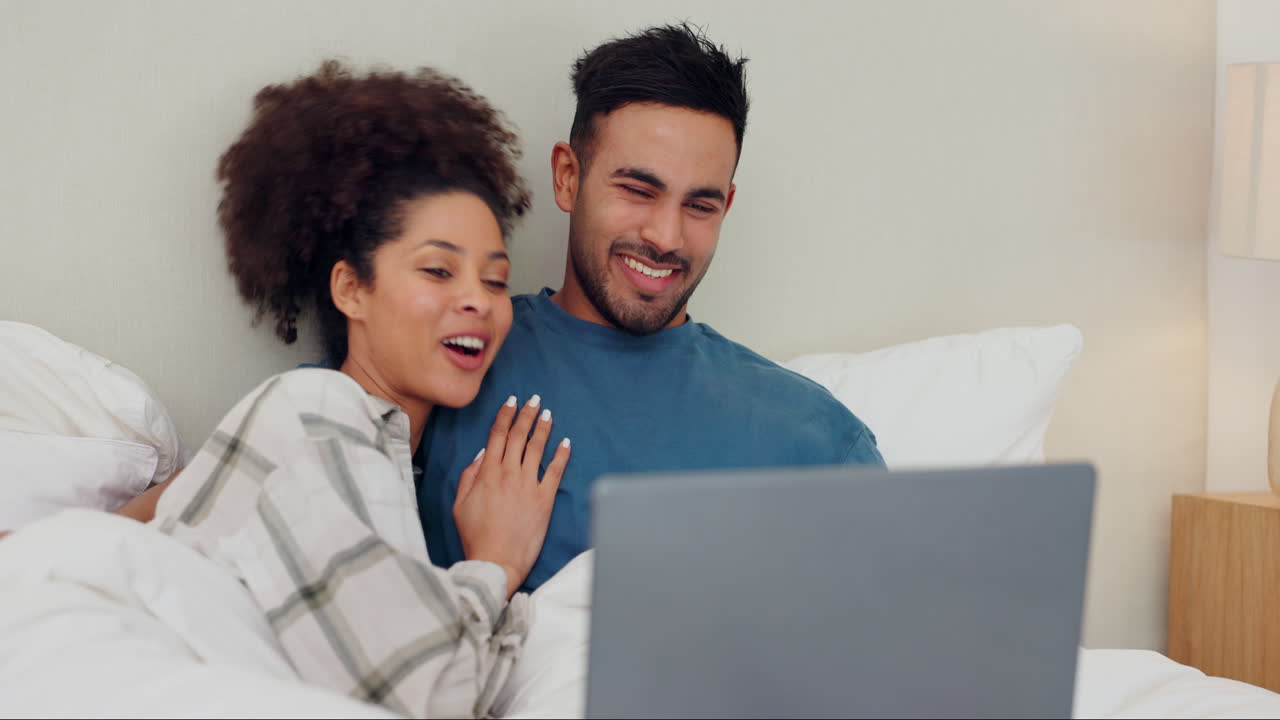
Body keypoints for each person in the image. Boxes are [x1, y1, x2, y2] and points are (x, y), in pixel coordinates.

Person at [148, 61, 571, 718]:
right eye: (438, 269)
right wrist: (496, 563)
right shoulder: (317, 410)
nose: (478, 302)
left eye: (495, 280)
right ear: (351, 289)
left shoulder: (371, 447)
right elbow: (417, 692)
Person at [419, 23, 885, 594]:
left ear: (727, 205)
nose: (666, 236)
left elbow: (891, 651)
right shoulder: (451, 357)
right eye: (638, 191)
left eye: (700, 205)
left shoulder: (812, 437)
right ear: (568, 177)